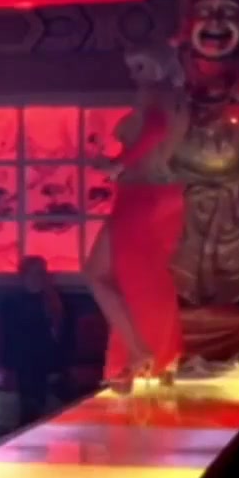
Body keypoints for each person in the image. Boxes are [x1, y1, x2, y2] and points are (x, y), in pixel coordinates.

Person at [85, 45, 189, 393]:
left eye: (141, 66)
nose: (135, 74)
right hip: (160, 195)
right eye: (133, 67)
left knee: (116, 278)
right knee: (135, 278)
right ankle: (146, 353)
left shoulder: (155, 93)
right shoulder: (178, 99)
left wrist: (119, 163)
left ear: (159, 64)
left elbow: (155, 130)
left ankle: (139, 353)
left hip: (141, 196)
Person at [0, 256, 72, 425]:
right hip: (24, 361)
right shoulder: (11, 302)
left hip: (52, 359)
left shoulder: (57, 302)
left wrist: (64, 364)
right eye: (31, 273)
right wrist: (8, 368)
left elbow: (66, 337)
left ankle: (40, 409)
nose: (36, 278)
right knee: (29, 369)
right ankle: (32, 414)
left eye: (40, 273)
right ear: (23, 276)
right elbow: (8, 337)